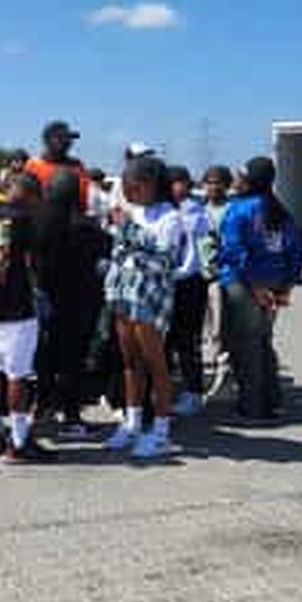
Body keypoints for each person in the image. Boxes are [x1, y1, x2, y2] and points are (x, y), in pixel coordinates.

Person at [103, 155, 181, 459]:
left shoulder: (169, 216)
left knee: (156, 364)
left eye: (135, 187)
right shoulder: (133, 211)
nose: (130, 193)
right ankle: (132, 422)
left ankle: (161, 430)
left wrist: (129, 233)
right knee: (130, 361)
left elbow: (163, 259)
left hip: (151, 298)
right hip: (124, 294)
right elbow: (120, 251)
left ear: (152, 185)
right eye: (127, 187)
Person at [0, 173, 53, 462]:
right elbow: (37, 258)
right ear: (30, 195)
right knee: (18, 374)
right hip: (18, 306)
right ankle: (18, 442)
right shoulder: (25, 220)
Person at [219, 156, 302, 420]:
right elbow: (295, 250)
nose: (235, 180)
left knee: (246, 344)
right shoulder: (280, 210)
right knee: (263, 341)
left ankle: (252, 405)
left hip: (243, 284)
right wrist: (287, 285)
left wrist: (254, 285)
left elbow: (234, 249)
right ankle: (271, 400)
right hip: (274, 283)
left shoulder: (240, 209)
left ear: (249, 181)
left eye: (240, 176)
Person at [35, 169, 107, 436]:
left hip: (45, 300)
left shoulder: (38, 223)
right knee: (73, 360)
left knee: (44, 356)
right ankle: (71, 416)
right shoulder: (87, 228)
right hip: (79, 302)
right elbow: (102, 259)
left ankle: (42, 408)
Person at [167, 167, 210, 417]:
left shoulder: (196, 213)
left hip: (190, 282)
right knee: (167, 339)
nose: (174, 187)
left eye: (178, 182)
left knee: (187, 340)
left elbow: (202, 252)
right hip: (169, 282)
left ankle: (193, 392)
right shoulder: (165, 210)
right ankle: (169, 389)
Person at [200, 166, 234, 398]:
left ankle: (224, 378)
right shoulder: (200, 210)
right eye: (209, 182)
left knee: (221, 328)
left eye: (217, 182)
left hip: (220, 277)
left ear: (226, 185)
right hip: (198, 277)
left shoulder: (231, 211)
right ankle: (208, 373)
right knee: (202, 328)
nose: (213, 187)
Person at [26, 121, 90, 209]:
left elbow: (83, 197)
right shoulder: (33, 166)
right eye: (60, 138)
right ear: (47, 141)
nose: (67, 142)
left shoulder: (77, 166)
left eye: (68, 139)